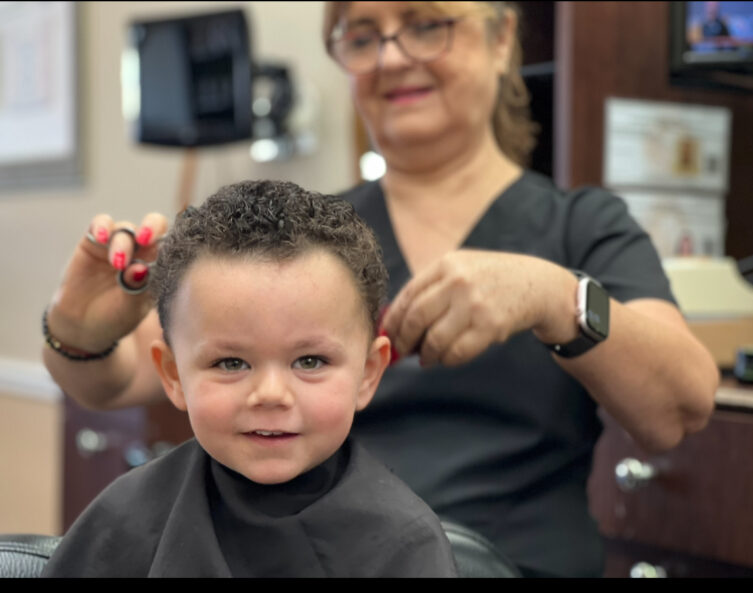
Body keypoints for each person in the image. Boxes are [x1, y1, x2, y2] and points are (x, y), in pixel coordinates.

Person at [42, 1, 719, 577]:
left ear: (502, 37)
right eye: (362, 36)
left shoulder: (581, 226)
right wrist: (79, 327)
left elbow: (680, 405)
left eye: (426, 24)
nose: (392, 57)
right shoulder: (308, 239)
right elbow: (120, 375)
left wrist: (553, 296)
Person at [42, 180, 458, 578]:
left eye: (310, 361)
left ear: (368, 373)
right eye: (231, 363)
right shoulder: (127, 515)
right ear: (173, 374)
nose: (271, 395)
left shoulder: (404, 546)